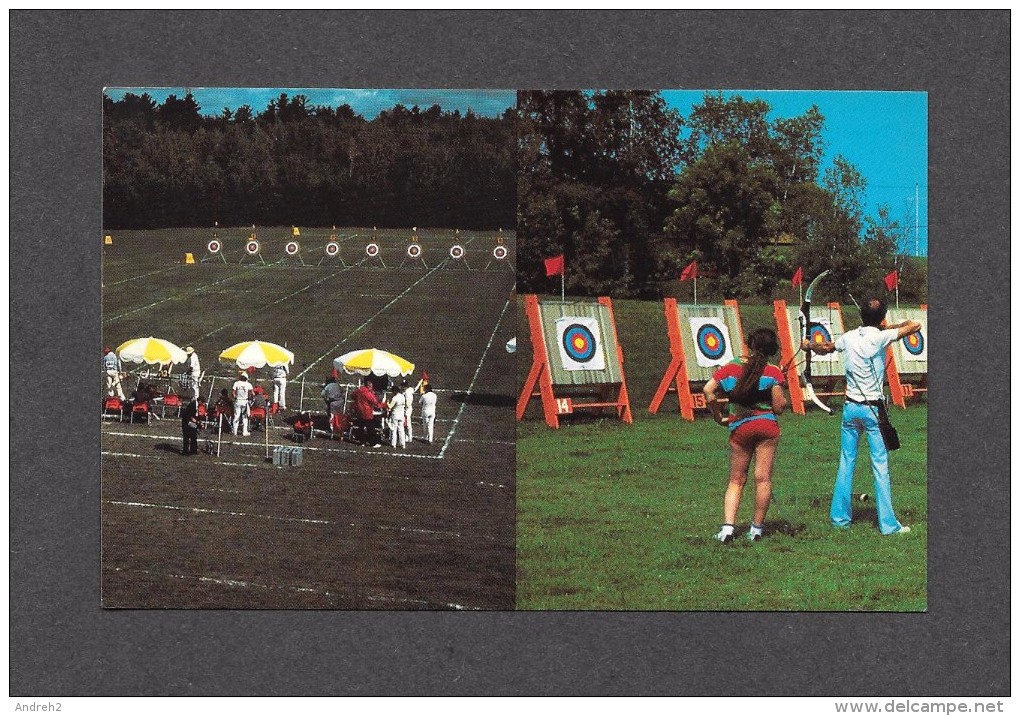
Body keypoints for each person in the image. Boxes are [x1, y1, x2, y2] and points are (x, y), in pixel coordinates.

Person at [805, 298, 922, 535]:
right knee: (880, 465)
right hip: (872, 411)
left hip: (850, 409)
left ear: (860, 316)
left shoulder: (848, 337)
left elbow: (826, 347)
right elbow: (915, 325)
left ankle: (840, 519)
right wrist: (887, 328)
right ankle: (888, 526)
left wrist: (808, 345)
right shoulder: (880, 337)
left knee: (846, 461)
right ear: (881, 318)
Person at [703, 328, 787, 543]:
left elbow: (708, 390)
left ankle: (727, 529)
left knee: (736, 480)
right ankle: (756, 530)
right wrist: (777, 380)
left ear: (750, 344)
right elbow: (779, 408)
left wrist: (717, 415)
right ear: (772, 349)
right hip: (766, 427)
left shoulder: (731, 367)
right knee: (763, 479)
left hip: (740, 428)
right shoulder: (772, 372)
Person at [352, 377, 385, 447]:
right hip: (367, 412)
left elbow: (352, 395)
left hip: (359, 411)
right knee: (370, 428)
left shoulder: (359, 390)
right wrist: (383, 405)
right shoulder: (367, 393)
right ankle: (373, 443)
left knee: (361, 427)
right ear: (369, 386)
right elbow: (374, 401)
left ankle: (362, 442)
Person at [231, 372, 252, 437]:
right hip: (245, 402)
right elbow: (251, 394)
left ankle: (235, 431)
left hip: (238, 401)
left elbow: (233, 393)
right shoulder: (248, 384)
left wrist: (235, 397)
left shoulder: (236, 383)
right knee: (245, 417)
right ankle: (244, 432)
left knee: (236, 416)